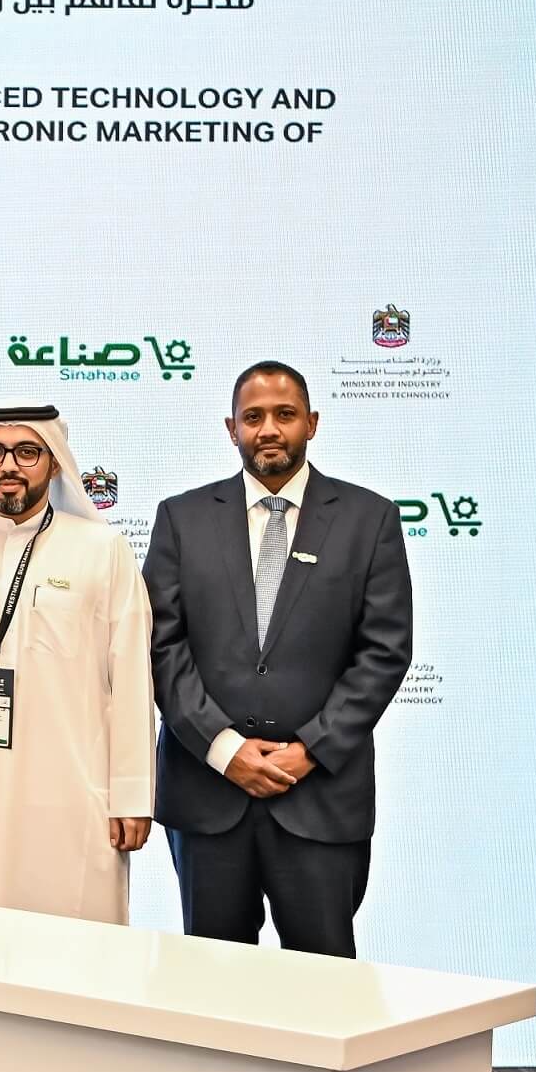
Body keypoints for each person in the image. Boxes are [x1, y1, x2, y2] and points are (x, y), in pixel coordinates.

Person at [145, 361, 412, 956]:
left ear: (311, 423)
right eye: (253, 417)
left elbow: (384, 651)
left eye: (284, 415)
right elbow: (161, 647)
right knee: (214, 978)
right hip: (208, 794)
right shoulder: (181, 519)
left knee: (323, 981)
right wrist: (224, 749)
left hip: (321, 796)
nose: (268, 429)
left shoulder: (369, 520)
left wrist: (310, 750)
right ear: (231, 429)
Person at [0, 406, 153, 922]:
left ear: (54, 462)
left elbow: (130, 680)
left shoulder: (103, 549)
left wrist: (131, 795)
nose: (8, 466)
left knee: (72, 940)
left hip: (71, 791)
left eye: (26, 452)